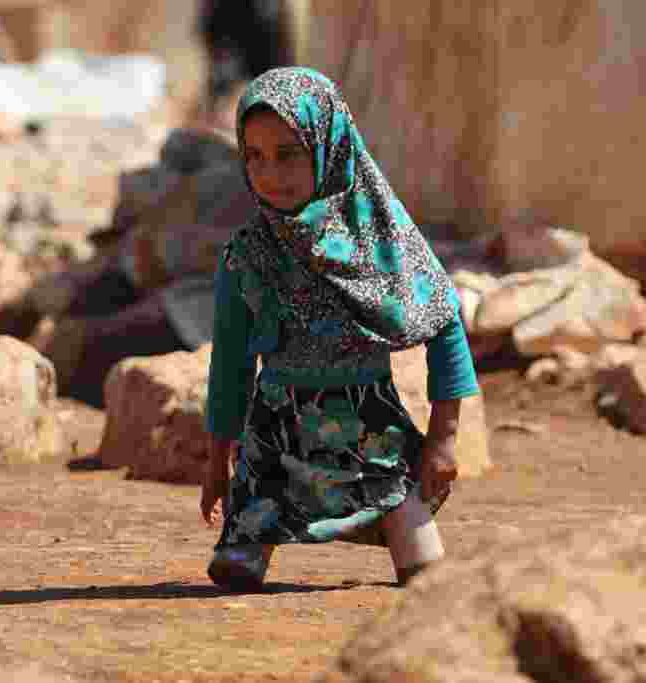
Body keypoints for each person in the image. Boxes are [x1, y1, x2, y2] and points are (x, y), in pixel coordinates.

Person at [202, 67, 480, 591]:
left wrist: (443, 440)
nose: (269, 173)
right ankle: (251, 539)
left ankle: (399, 526)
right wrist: (219, 461)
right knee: (234, 569)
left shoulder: (381, 239)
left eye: (289, 154)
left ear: (329, 147)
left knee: (426, 574)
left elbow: (444, 323)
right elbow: (231, 367)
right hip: (274, 445)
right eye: (254, 157)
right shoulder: (247, 257)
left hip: (374, 441)